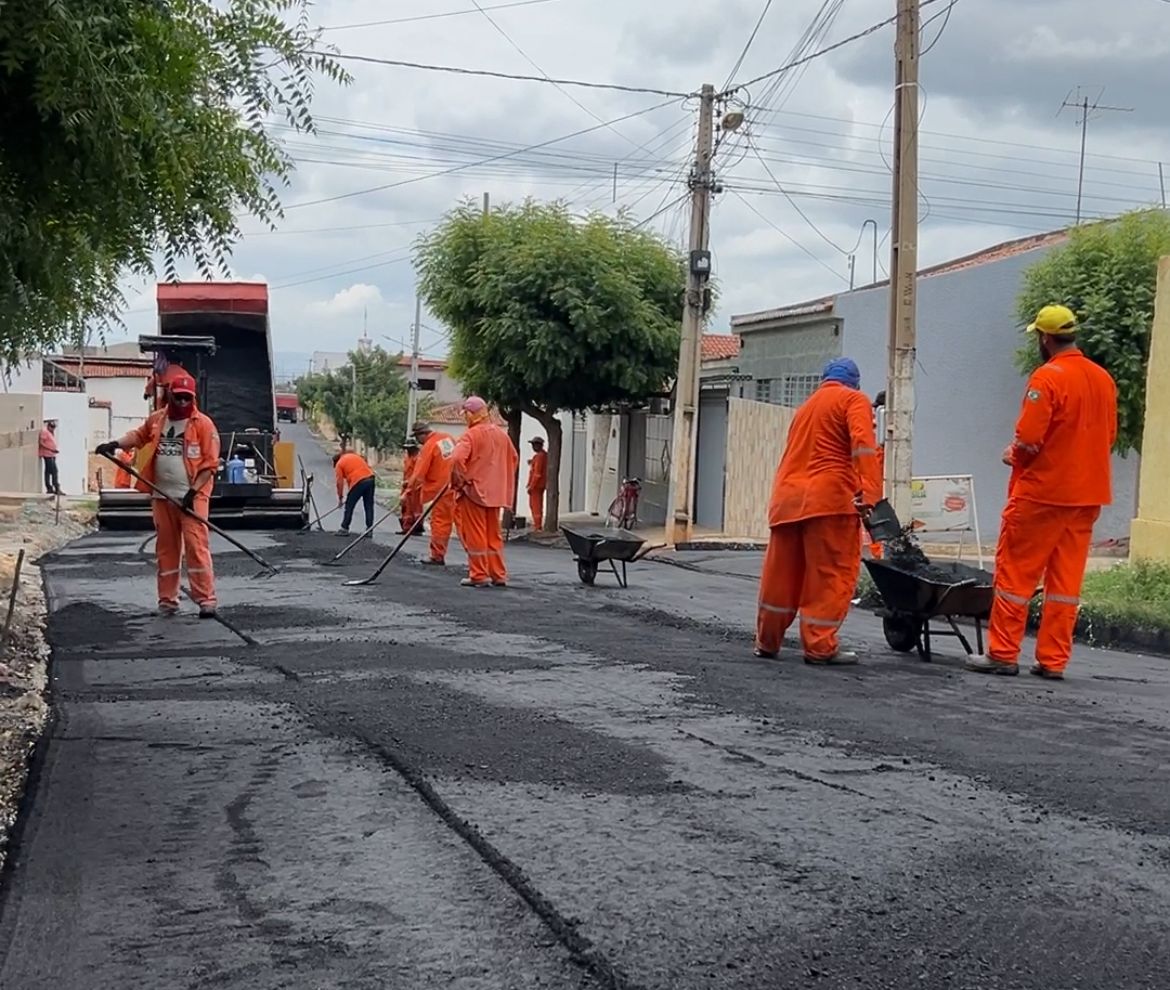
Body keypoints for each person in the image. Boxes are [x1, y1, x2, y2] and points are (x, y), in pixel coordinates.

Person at [967, 304, 1118, 681]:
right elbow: (1109, 436)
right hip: (1087, 497)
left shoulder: (1047, 378)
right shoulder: (1103, 379)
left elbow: (1030, 439)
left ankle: (1002, 653)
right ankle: (1053, 660)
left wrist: (1013, 454)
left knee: (1016, 576)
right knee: (1065, 584)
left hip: (1043, 495)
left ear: (1045, 338)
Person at [755, 357, 882, 665]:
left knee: (781, 576)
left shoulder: (805, 408)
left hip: (786, 501)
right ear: (854, 382)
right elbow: (863, 446)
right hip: (829, 501)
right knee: (830, 575)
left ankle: (767, 642)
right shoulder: (854, 399)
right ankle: (820, 646)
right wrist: (872, 496)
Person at [95, 374, 220, 617]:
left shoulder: (203, 425)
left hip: (193, 499)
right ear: (170, 395)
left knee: (196, 547)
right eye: (178, 397)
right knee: (166, 549)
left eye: (187, 398)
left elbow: (209, 465)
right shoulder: (158, 420)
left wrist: (192, 493)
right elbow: (138, 436)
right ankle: (167, 601)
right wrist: (115, 444)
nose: (182, 402)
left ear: (193, 398)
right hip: (162, 497)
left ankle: (206, 599)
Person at [451, 397, 519, 588]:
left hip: (474, 493)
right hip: (494, 494)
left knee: (475, 535)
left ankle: (479, 575)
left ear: (471, 414)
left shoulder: (470, 435)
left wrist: (460, 481)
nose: (465, 418)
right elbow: (513, 459)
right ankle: (498, 575)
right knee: (493, 535)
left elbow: (456, 459)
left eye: (465, 414)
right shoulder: (501, 435)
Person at [406, 421, 457, 565]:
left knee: (439, 522)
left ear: (422, 435)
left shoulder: (429, 446)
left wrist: (408, 491)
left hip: (439, 491)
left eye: (417, 437)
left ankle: (437, 555)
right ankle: (478, 562)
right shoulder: (448, 438)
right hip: (454, 487)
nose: (417, 441)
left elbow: (418, 475)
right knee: (458, 523)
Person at [333, 448, 376, 536]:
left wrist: (340, 498)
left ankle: (344, 528)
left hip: (359, 481)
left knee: (349, 505)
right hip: (370, 478)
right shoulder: (353, 456)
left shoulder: (339, 464)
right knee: (368, 505)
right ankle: (369, 529)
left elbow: (339, 483)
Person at [864, 390, 887, 559]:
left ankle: (880, 556)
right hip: (875, 489)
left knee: (876, 526)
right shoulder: (878, 447)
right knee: (877, 526)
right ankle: (880, 556)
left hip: (875, 488)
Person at [526, 436, 548, 531]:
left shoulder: (540, 456)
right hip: (540, 485)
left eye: (534, 445)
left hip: (537, 486)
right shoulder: (543, 455)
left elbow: (537, 473)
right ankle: (537, 525)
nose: (533, 447)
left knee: (535, 506)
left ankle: (537, 526)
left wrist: (531, 486)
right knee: (536, 505)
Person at [38, 419, 62, 495]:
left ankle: (50, 488)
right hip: (47, 454)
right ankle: (55, 487)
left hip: (51, 454)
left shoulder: (50, 432)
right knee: (54, 471)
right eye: (52, 427)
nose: (53, 428)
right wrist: (51, 449)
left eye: (54, 427)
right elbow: (41, 443)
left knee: (48, 471)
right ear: (48, 426)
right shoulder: (44, 432)